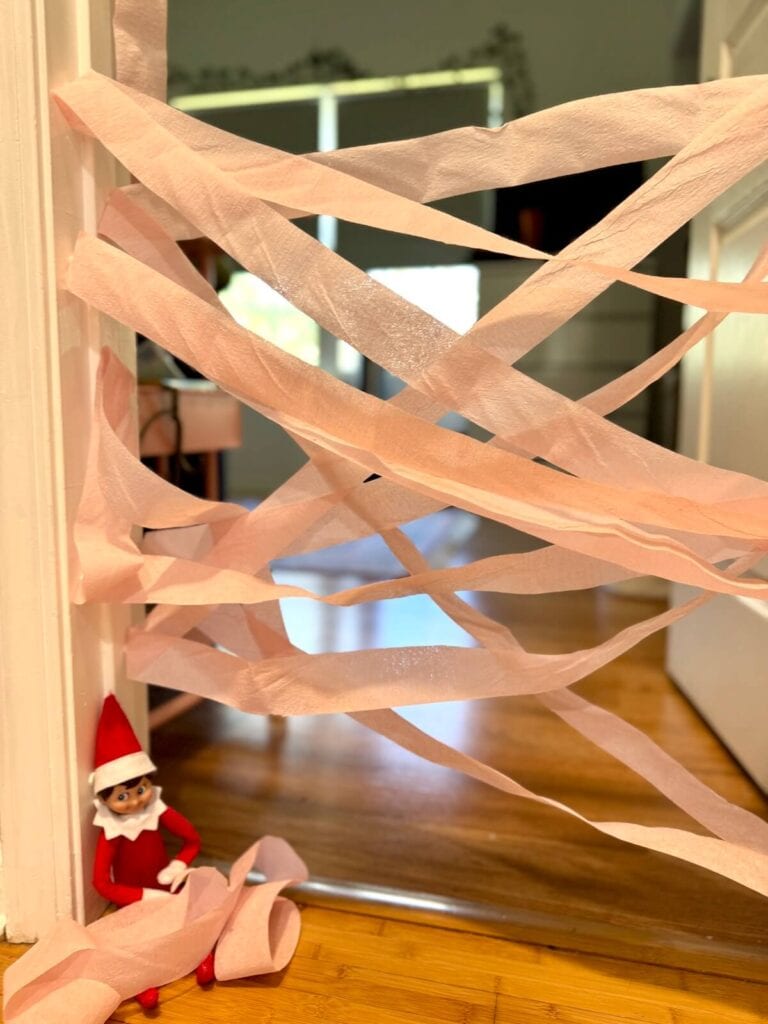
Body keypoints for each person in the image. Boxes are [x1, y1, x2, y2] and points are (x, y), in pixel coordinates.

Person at [91, 694, 215, 1011]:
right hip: (135, 900)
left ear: (149, 783)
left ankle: (203, 956)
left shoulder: (158, 811)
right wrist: (142, 898)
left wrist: (177, 865)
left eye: (141, 790)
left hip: (167, 886)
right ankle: (144, 982)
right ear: (104, 799)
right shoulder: (111, 831)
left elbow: (192, 841)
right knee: (136, 942)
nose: (134, 801)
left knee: (194, 919)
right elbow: (102, 884)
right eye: (122, 796)